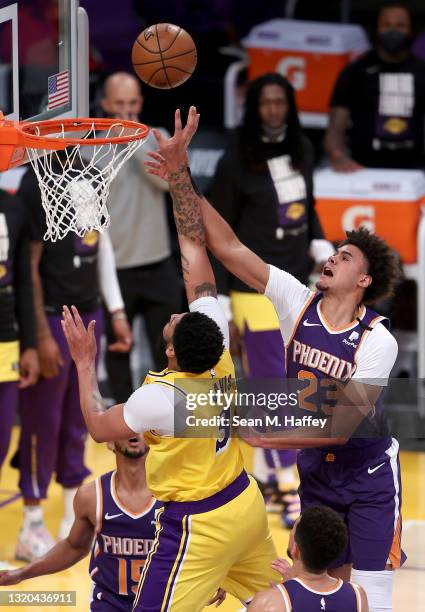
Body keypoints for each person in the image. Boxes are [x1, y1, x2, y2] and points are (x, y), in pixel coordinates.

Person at [145, 106, 404, 612]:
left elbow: (341, 426)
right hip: (315, 469)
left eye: (346, 257)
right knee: (319, 587)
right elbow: (227, 246)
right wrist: (180, 175)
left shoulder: (378, 340)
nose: (332, 256)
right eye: (335, 251)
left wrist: (259, 432)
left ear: (365, 281)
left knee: (370, 596)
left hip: (367, 473)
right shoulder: (296, 299)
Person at [61, 108, 279, 611]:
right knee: (275, 598)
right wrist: (179, 172)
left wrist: (83, 360)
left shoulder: (161, 399)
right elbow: (193, 243)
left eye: (179, 319)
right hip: (244, 501)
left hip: (200, 523)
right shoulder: (217, 346)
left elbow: (97, 425)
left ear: (174, 352)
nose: (181, 311)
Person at [209, 72, 334, 527]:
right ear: (254, 107)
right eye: (266, 103)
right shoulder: (235, 160)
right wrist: (221, 294)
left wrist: (320, 244)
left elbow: (311, 207)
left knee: (297, 381)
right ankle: (285, 485)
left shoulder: (302, 148)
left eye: (281, 102)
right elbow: (218, 233)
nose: (274, 110)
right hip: (253, 289)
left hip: (298, 285)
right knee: (270, 386)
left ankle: (267, 472)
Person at [14, 165, 131, 561]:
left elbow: (101, 245)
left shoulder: (95, 175)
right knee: (40, 423)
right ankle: (31, 521)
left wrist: (115, 311)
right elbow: (27, 265)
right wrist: (41, 335)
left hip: (90, 313)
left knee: (78, 419)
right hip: (50, 317)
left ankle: (71, 516)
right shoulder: (35, 182)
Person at [0, 435, 161, 611]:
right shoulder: (91, 496)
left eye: (140, 426)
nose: (133, 433)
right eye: (124, 428)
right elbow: (74, 547)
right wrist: (21, 573)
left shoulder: (174, 495)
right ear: (109, 442)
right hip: (110, 604)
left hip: (165, 603)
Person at [99, 71, 182, 403]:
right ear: (104, 104)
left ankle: (165, 415)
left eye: (133, 104)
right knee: (118, 350)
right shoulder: (89, 146)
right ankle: (123, 423)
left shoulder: (157, 138)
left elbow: (166, 184)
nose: (127, 112)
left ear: (141, 103)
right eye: (119, 104)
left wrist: (132, 138)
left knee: (170, 349)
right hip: (113, 269)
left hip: (157, 262)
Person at [325, 0, 425, 171]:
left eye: (400, 25)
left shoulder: (422, 72)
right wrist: (338, 155)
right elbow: (335, 128)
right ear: (377, 29)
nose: (393, 30)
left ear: (411, 31)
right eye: (387, 25)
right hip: (362, 169)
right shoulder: (355, 71)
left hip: (416, 172)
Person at [248, 506, 369, 611]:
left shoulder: (268, 602)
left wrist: (283, 591)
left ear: (295, 548)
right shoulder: (357, 596)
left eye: (293, 530)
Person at [0, 187, 38, 478]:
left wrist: (30, 345)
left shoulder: (13, 206)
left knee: (2, 440)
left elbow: (25, 282)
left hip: (7, 340)